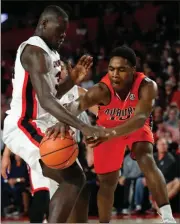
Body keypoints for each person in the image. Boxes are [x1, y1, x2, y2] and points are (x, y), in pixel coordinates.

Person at [2, 5, 106, 223]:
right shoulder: (34, 51)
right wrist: (85, 127)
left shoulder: (51, 53)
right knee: (71, 180)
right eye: (59, 31)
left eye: (65, 32)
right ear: (44, 24)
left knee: (79, 186)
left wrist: (72, 79)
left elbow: (51, 94)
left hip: (42, 123)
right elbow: (47, 101)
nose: (62, 36)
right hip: (25, 124)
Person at [50, 46, 176, 223]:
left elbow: (140, 119)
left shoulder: (147, 86)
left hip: (133, 126)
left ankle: (168, 217)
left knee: (145, 157)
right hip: (106, 128)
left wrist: (109, 134)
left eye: (121, 69)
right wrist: (61, 121)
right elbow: (75, 106)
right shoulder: (101, 89)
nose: (115, 74)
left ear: (133, 70)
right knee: (107, 182)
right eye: (111, 69)